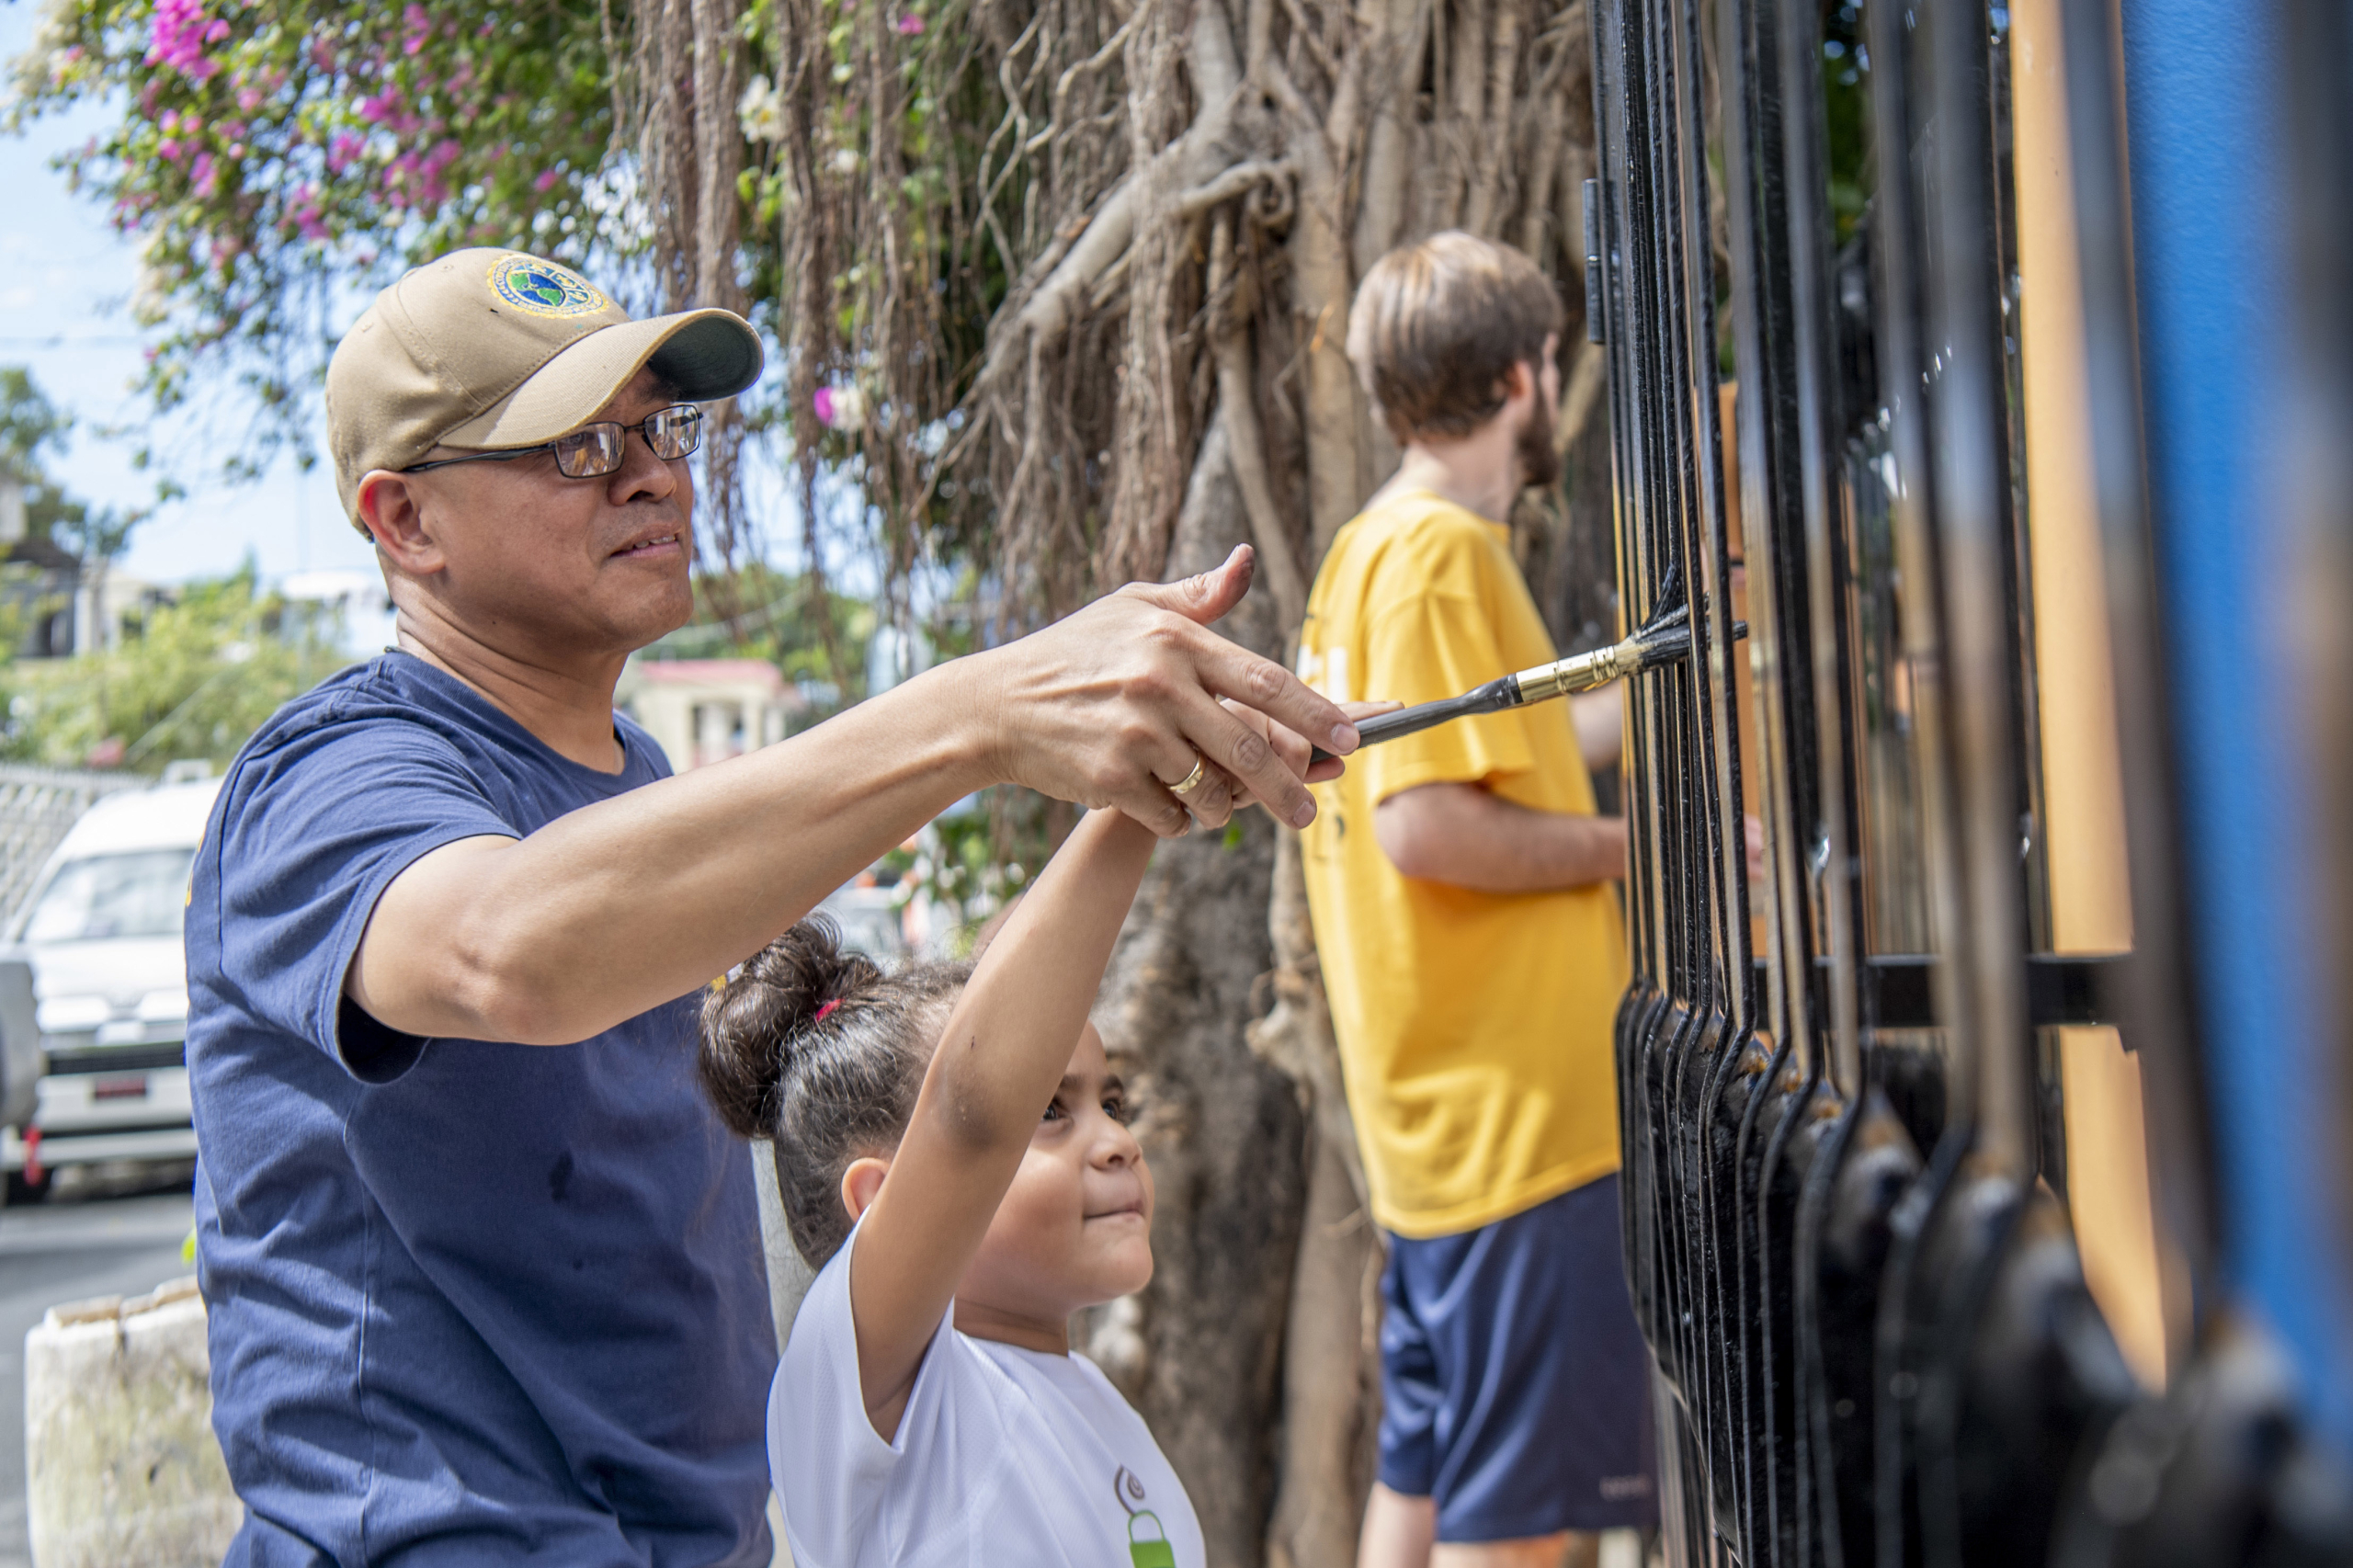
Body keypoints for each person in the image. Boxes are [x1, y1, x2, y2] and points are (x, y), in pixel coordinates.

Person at [184, 246, 1358, 1566]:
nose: (649, 473)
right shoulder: (333, 773)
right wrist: (975, 713)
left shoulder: (642, 783)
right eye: (571, 448)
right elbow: (505, 948)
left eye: (658, 426)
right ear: (403, 521)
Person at [1297, 232, 1657, 1568]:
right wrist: (1638, 849)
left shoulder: (1367, 554)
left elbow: (1504, 760)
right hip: (1520, 1123)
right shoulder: (1446, 555)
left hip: (1441, 1126)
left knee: (1432, 1483)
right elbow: (1430, 822)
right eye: (1554, 363)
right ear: (1525, 374)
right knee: (1524, 1527)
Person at [701, 805, 1187, 1566]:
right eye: (1048, 1110)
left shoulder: (1099, 1407)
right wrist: (1148, 798)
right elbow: (971, 1120)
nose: (1118, 1143)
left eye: (1113, 1104)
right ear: (880, 1205)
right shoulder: (874, 1404)